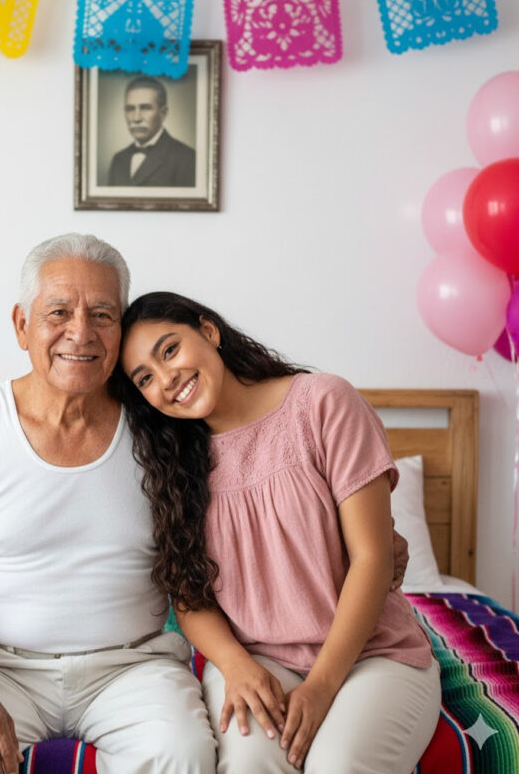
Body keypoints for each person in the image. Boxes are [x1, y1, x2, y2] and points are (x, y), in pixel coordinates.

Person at [0, 235, 217, 774]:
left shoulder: (163, 422)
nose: (80, 333)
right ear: (21, 325)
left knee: (187, 755)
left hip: (134, 668)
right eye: (58, 312)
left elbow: (262, 464)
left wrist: (355, 530)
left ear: (122, 329)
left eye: (102, 314)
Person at [114, 291, 442, 774]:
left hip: (373, 654)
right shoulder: (172, 468)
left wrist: (322, 685)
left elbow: (373, 558)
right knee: (247, 766)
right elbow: (189, 599)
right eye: (145, 378)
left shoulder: (322, 403)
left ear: (209, 331)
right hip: (259, 661)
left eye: (169, 350)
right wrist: (236, 666)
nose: (167, 379)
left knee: (338, 765)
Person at [108, 76, 196, 187]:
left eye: (145, 108)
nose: (136, 118)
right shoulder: (118, 160)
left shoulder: (187, 159)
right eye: (130, 109)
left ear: (163, 113)